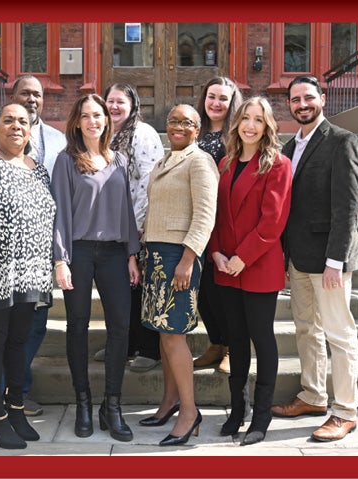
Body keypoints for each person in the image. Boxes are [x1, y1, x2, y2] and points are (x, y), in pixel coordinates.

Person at [0, 75, 66, 427]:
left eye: (23, 120)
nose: (18, 123)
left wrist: (56, 260)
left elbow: (51, 213)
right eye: (10, 118)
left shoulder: (42, 164)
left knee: (23, 339)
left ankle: (15, 405)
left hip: (33, 272)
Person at [270, 75, 358, 442]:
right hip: (299, 259)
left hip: (330, 262)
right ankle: (313, 395)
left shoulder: (343, 141)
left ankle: (345, 411)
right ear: (289, 105)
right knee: (307, 330)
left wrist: (335, 261)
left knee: (339, 335)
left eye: (309, 97)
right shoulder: (289, 146)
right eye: (295, 99)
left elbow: (348, 207)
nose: (302, 104)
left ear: (322, 99)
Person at [50, 94, 140, 442]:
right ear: (77, 122)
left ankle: (111, 406)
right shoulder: (66, 161)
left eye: (98, 115)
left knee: (120, 326)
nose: (93, 121)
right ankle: (83, 403)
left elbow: (126, 209)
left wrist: (132, 252)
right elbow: (58, 213)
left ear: (107, 120)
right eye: (86, 116)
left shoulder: (118, 160)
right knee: (77, 326)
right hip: (79, 252)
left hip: (116, 253)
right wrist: (60, 259)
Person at [208, 97, 292, 445]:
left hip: (257, 266)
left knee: (261, 339)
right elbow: (214, 214)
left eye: (259, 120)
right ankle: (237, 411)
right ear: (237, 122)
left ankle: (261, 416)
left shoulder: (278, 164)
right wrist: (214, 253)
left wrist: (243, 256)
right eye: (246, 118)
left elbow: (273, 222)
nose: (251, 126)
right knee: (236, 340)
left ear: (267, 126)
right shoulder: (226, 162)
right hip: (225, 267)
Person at [140, 104, 219, 446]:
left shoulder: (199, 161)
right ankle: (169, 401)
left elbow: (205, 216)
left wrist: (188, 259)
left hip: (179, 257)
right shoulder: (164, 160)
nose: (178, 126)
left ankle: (189, 413)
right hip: (157, 255)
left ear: (197, 129)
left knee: (174, 336)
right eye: (173, 120)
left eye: (187, 122)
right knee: (163, 333)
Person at [92, 83, 165, 373]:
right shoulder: (105, 136)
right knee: (118, 289)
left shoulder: (143, 134)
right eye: (110, 101)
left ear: (133, 105)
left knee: (141, 288)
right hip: (108, 226)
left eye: (120, 101)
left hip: (137, 225)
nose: (114, 107)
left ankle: (148, 348)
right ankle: (122, 345)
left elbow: (147, 183)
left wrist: (135, 227)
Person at [193, 76, 243, 374]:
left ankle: (233, 348)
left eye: (223, 98)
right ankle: (216, 344)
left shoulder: (236, 135)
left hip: (224, 221)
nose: (216, 103)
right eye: (211, 96)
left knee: (224, 291)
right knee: (202, 290)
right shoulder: (195, 131)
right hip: (197, 222)